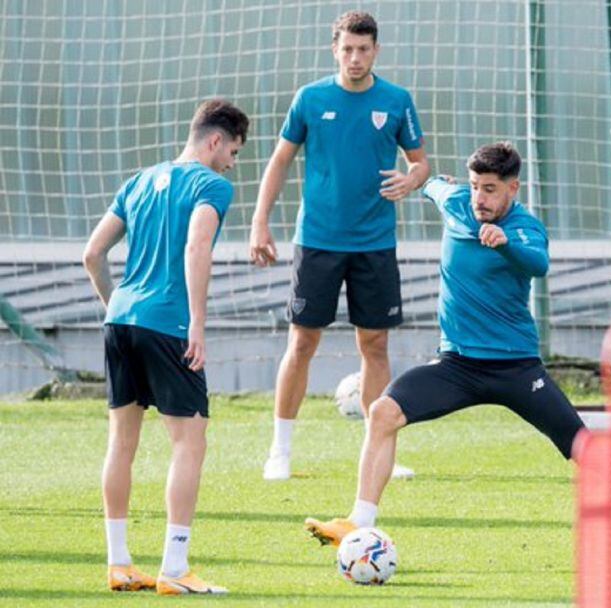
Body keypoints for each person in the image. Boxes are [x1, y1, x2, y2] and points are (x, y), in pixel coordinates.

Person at [302, 142, 611, 560]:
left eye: (489, 189)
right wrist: (421, 181)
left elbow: (537, 264)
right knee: (382, 412)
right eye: (474, 187)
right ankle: (359, 523)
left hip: (516, 369)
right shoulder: (456, 201)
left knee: (585, 449)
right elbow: (433, 184)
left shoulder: (525, 228)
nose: (479, 199)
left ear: (512, 188)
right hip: (457, 365)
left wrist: (504, 244)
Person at [248, 10, 430, 481]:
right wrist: (259, 222)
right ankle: (280, 451)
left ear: (376, 51)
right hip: (318, 241)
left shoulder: (396, 100)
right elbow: (280, 160)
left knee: (374, 344)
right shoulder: (311, 98)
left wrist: (412, 180)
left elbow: (421, 164)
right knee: (303, 341)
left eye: (363, 50)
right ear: (335, 49)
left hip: (374, 243)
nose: (354, 58)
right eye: (347, 49)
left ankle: (378, 452)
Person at [83, 99, 248, 594]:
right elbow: (197, 246)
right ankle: (174, 569)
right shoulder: (211, 185)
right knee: (189, 442)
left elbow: (92, 253)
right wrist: (196, 321)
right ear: (215, 140)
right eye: (234, 152)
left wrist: (118, 308)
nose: (232, 164)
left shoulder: (138, 181)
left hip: (121, 321)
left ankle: (120, 564)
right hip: (169, 324)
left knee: (122, 443)